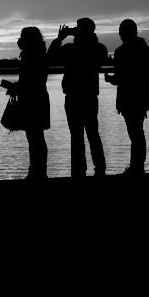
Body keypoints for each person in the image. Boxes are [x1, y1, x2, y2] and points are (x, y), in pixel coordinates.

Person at [48, 17, 108, 180]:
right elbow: (51, 58)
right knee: (89, 133)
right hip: (85, 96)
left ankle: (81, 171)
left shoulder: (72, 49)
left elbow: (50, 57)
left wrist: (60, 38)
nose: (75, 31)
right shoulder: (96, 47)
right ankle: (97, 168)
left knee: (80, 135)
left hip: (77, 96)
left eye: (78, 28)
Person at [104, 19, 149, 177]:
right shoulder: (146, 50)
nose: (120, 35)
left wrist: (109, 79)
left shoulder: (121, 52)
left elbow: (120, 79)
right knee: (137, 133)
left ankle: (136, 167)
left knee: (135, 134)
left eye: (121, 32)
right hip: (141, 98)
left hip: (129, 99)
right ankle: (137, 167)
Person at [5, 27, 50, 181]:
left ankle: (37, 173)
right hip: (36, 98)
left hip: (33, 100)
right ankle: (38, 172)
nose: (20, 39)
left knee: (35, 137)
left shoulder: (31, 54)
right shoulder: (37, 52)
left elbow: (32, 80)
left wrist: (16, 87)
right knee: (36, 137)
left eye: (22, 36)